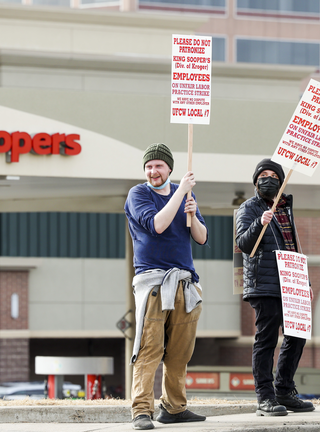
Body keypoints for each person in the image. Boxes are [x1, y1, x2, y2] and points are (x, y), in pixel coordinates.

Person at [124, 143, 208, 430]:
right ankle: (141, 411)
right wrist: (181, 192)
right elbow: (157, 224)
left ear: (169, 168)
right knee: (150, 347)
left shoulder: (184, 195)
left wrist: (193, 213)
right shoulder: (138, 194)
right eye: (149, 166)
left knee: (180, 351)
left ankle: (174, 407)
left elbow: (201, 237)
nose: (152, 171)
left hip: (184, 282)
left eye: (158, 165)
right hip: (153, 282)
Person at [234, 158, 315, 416]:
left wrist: (306, 281)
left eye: (273, 175)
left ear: (281, 180)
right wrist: (260, 223)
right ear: (256, 181)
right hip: (265, 283)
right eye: (262, 175)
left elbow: (293, 248)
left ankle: (284, 390)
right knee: (267, 339)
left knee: (297, 335)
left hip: (291, 283)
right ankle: (265, 398)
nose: (268, 179)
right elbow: (243, 244)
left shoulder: (285, 209)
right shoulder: (248, 208)